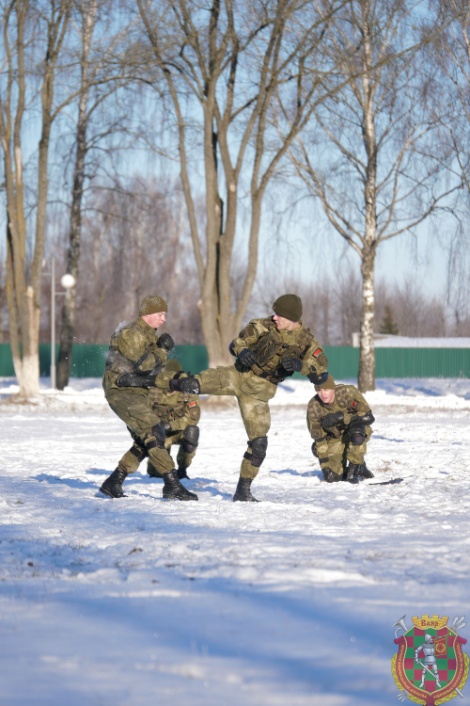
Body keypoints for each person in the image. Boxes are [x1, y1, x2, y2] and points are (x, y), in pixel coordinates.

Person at [194, 294, 329, 502]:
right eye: (275, 313)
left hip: (259, 394)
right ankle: (150, 386)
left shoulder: (306, 342)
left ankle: (243, 492)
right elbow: (236, 343)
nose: (275, 317)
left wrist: (300, 365)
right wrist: (242, 352)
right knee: (189, 383)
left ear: (292, 318)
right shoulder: (262, 326)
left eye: (280, 315)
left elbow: (321, 374)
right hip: (236, 376)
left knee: (259, 445)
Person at [100, 295, 199, 501]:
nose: (164, 319)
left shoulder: (148, 335)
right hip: (121, 392)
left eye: (165, 314)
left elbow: (154, 372)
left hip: (137, 391)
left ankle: (114, 482)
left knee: (145, 440)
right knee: (154, 433)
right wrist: (162, 350)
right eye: (160, 314)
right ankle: (172, 484)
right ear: (147, 314)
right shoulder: (131, 333)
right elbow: (143, 366)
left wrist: (177, 381)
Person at [306, 374, 375, 483]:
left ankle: (354, 469)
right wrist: (325, 469)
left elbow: (368, 417)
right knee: (334, 478)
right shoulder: (314, 407)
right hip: (335, 438)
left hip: (355, 430)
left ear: (333, 388)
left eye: (326, 389)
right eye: (319, 390)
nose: (323, 394)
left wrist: (342, 417)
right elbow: (319, 440)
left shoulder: (347, 393)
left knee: (357, 433)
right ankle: (360, 467)